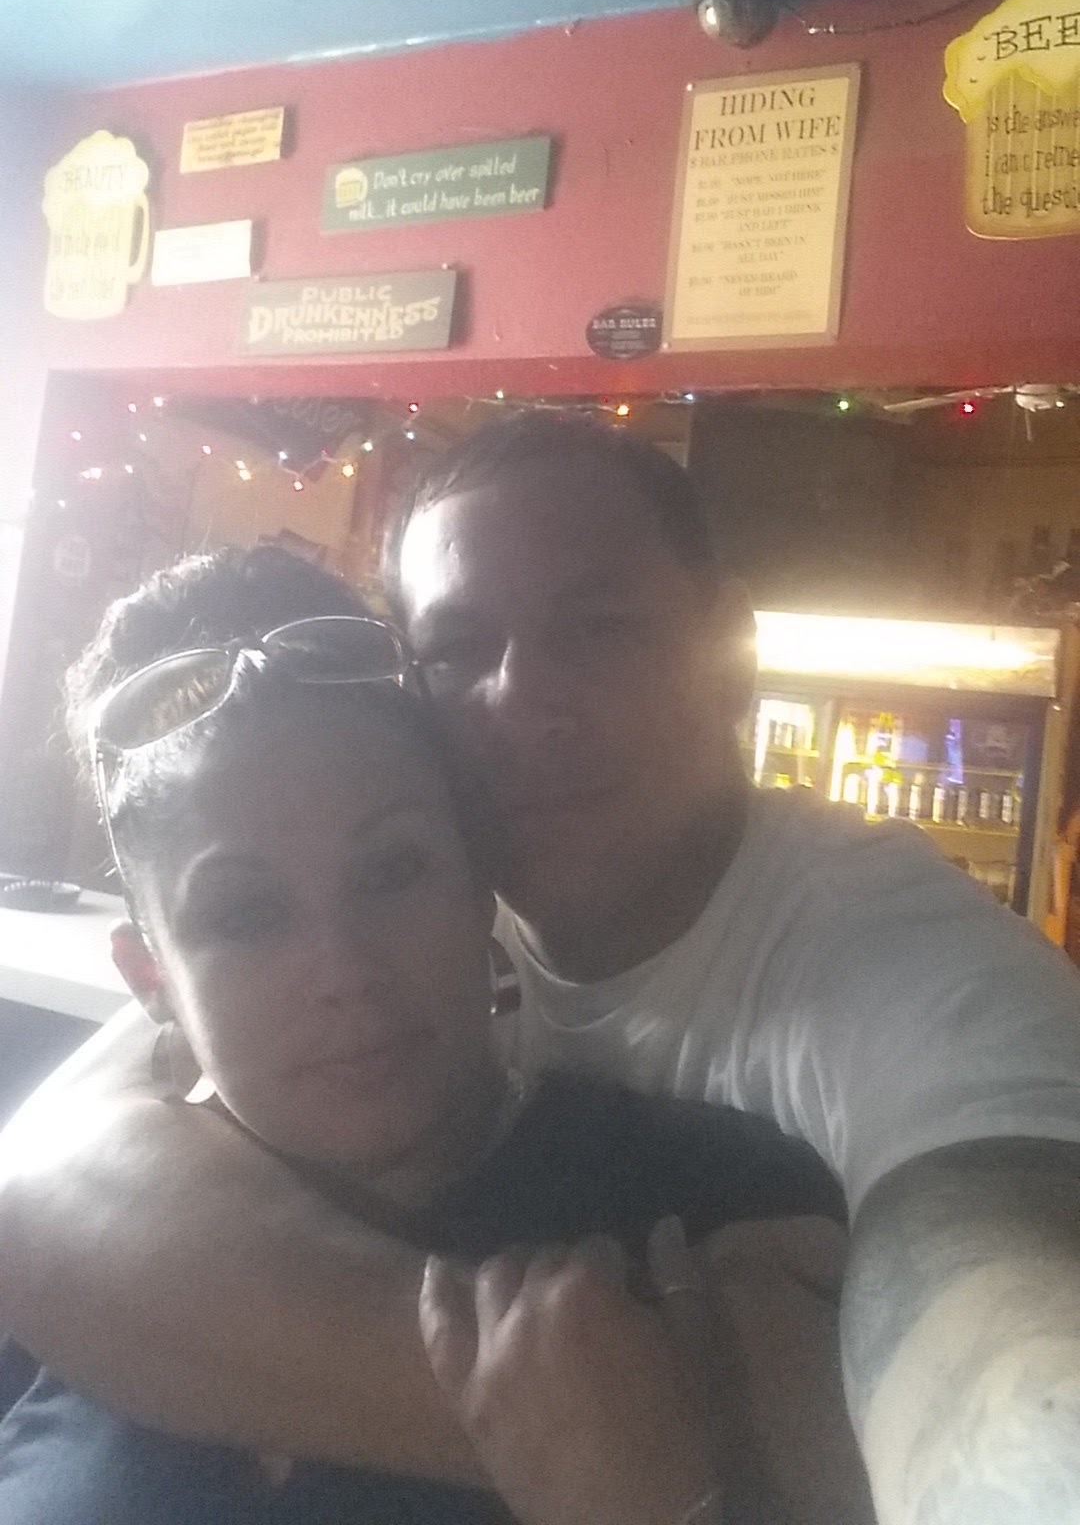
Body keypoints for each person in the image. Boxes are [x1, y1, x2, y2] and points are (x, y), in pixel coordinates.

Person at [2, 413, 1080, 1522]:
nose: (522, 698)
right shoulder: (437, 886)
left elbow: (1006, 1322)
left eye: (597, 629)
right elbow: (44, 1180)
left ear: (732, 652)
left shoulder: (913, 983)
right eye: (460, 650)